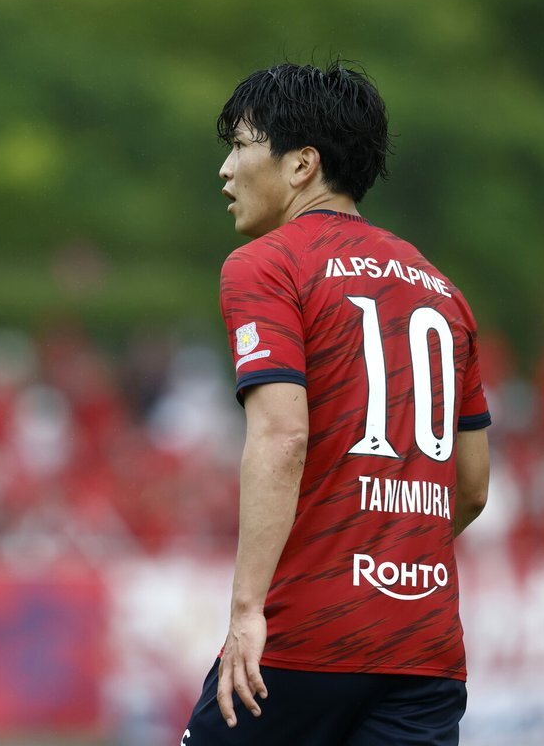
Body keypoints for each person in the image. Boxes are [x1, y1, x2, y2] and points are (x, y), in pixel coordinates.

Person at [182, 62, 492, 745]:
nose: (226, 170)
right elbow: (471, 486)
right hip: (425, 646)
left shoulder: (267, 264)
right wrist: (385, 554)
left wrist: (246, 611)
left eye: (240, 146)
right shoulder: (443, 291)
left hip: (306, 636)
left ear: (302, 165)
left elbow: (282, 437)